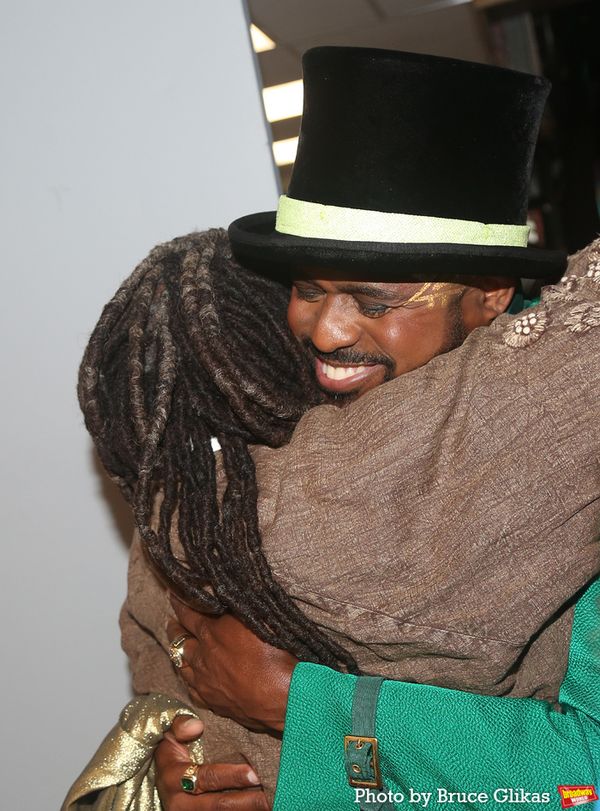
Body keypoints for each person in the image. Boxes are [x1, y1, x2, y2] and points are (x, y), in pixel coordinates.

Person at [69, 47, 599, 811]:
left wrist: (305, 712)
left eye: (374, 301)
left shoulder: (572, 459)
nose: (325, 331)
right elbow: (163, 661)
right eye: (308, 288)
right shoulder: (257, 434)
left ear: (488, 294)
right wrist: (177, 773)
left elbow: (584, 777)